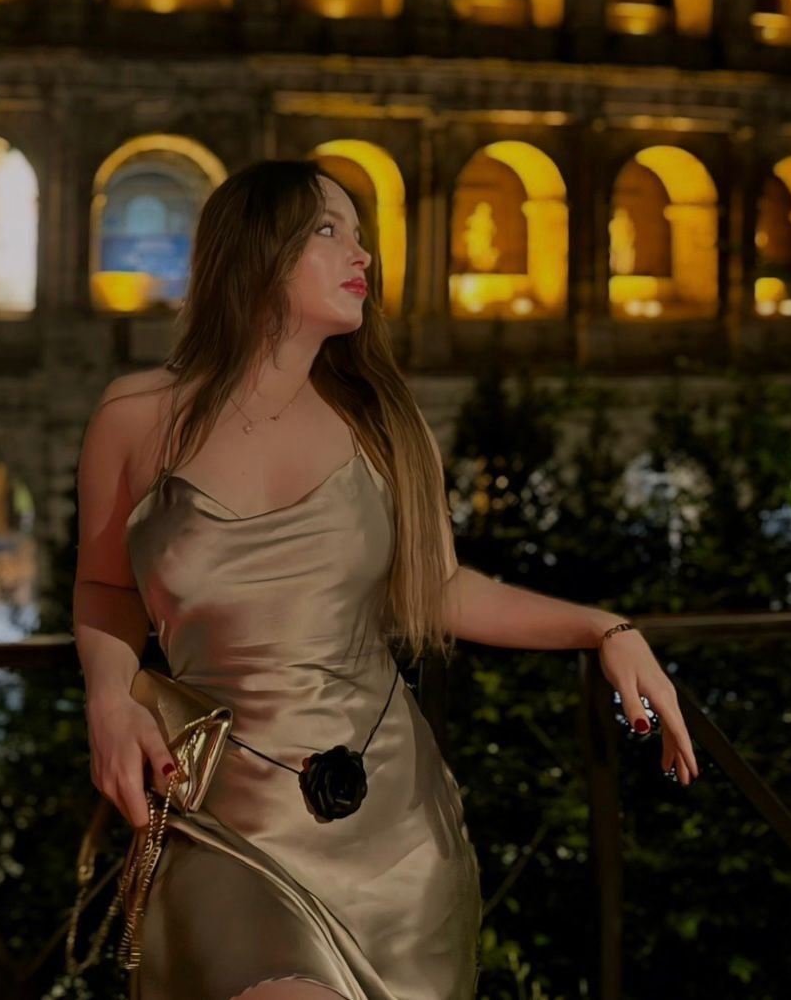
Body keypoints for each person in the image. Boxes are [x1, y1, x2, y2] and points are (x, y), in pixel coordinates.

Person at [74, 159, 698, 1000]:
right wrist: (109, 700)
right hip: (222, 813)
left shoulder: (385, 426)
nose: (361, 254)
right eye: (327, 230)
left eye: (360, 235)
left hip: (392, 820)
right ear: (254, 250)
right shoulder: (136, 417)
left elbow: (440, 589)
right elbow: (106, 588)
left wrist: (603, 627)